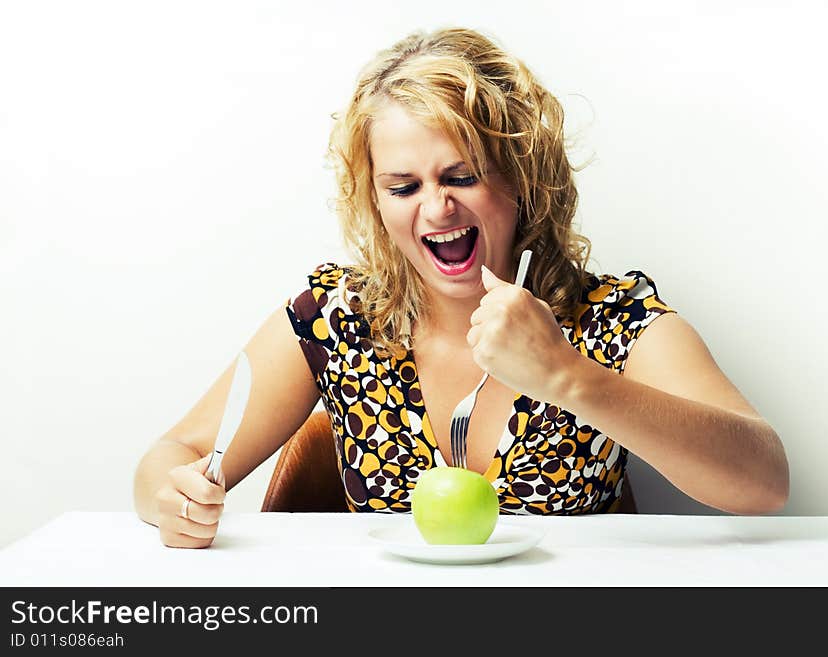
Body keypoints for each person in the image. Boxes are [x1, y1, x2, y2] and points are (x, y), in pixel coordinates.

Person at [134, 26, 789, 548]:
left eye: (462, 175)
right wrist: (175, 495)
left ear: (520, 179)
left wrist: (566, 374)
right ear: (376, 201)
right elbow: (174, 452)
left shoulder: (610, 319)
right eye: (404, 186)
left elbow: (764, 480)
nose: (437, 208)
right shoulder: (335, 317)